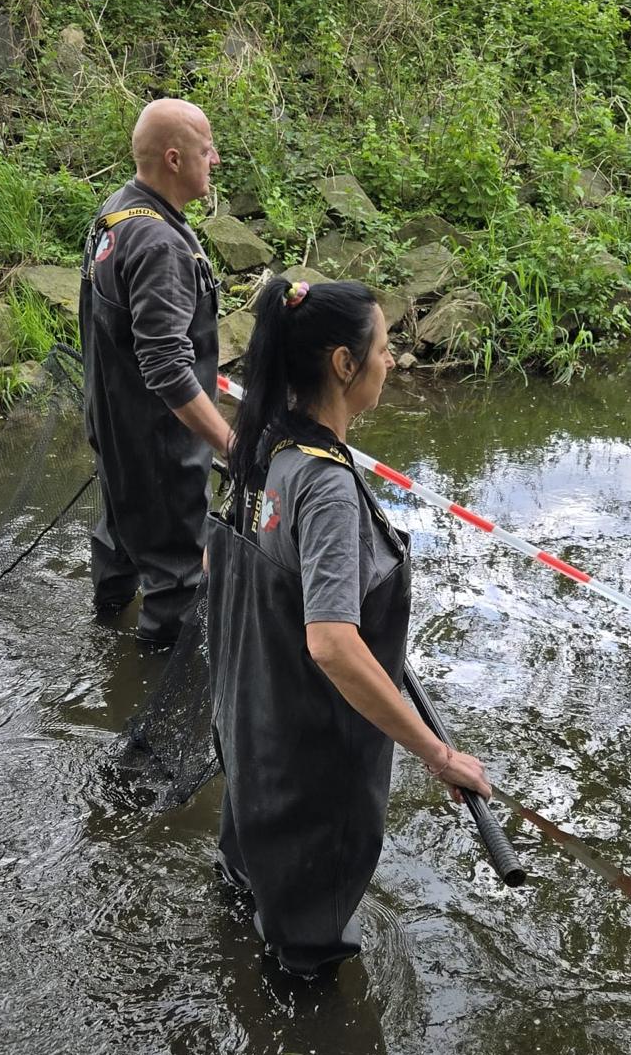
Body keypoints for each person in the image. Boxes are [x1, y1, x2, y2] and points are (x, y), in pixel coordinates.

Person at [207, 275, 491, 976]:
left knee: (246, 898)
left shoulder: (264, 446)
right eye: (384, 347)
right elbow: (332, 644)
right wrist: (438, 754)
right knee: (307, 963)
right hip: (310, 773)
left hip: (249, 742)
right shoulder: (328, 486)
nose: (391, 361)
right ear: (343, 363)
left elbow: (221, 572)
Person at [80, 98, 233, 647]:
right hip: (159, 449)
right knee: (179, 581)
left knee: (119, 539)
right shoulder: (161, 245)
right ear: (174, 159)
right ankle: (155, 681)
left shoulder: (116, 211)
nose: (214, 160)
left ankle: (106, 647)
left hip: (113, 429)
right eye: (206, 149)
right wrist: (230, 443)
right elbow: (167, 367)